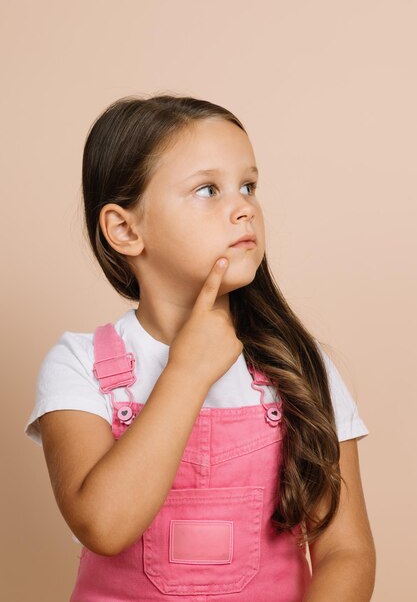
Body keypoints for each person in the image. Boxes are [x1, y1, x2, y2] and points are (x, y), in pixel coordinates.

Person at [24, 94, 376, 601]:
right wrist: (186, 372)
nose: (244, 209)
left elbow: (347, 550)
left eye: (249, 186)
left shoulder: (301, 366)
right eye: (208, 189)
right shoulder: (78, 364)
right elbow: (102, 524)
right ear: (125, 229)